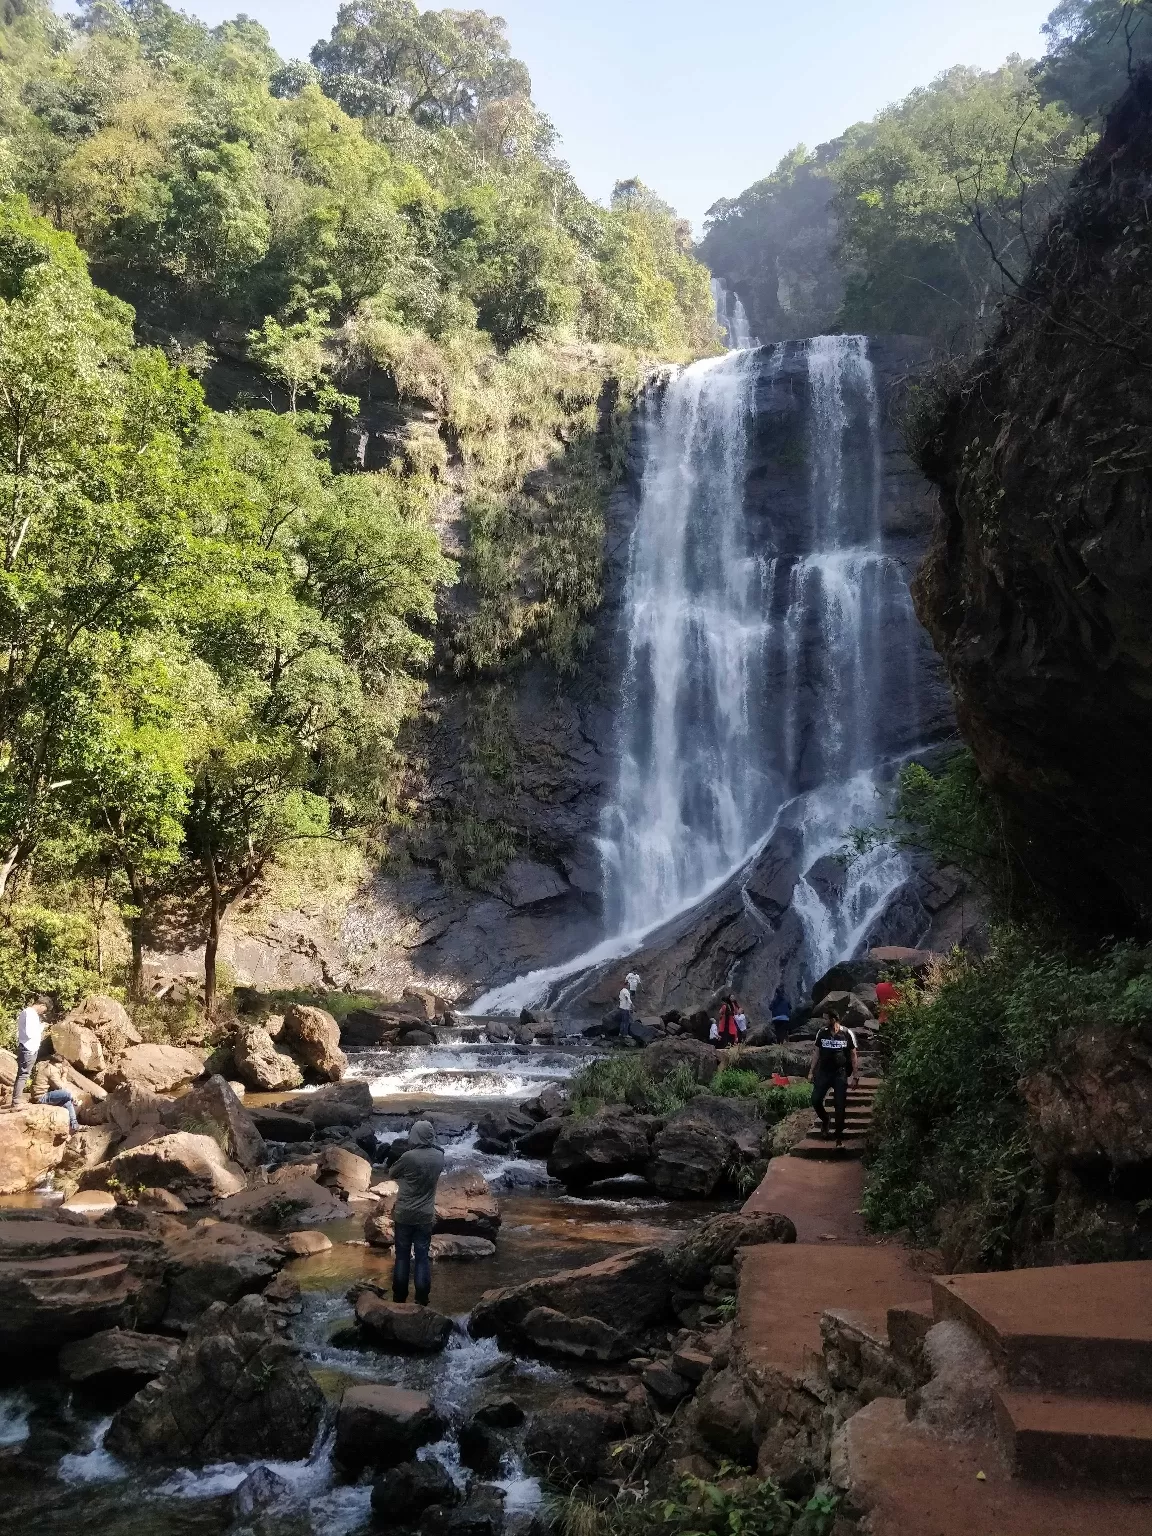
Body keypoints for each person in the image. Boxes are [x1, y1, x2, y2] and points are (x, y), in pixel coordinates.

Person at [390, 1120, 445, 1307]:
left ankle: (399, 1299)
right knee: (422, 1257)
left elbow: (391, 1173)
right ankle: (422, 1300)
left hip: (404, 1214)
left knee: (402, 1256)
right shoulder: (439, 1157)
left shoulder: (408, 1157)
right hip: (425, 1215)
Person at [807, 1012, 858, 1147]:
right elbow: (816, 1052)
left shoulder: (847, 1033)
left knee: (840, 1106)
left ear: (834, 1019)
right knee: (815, 1099)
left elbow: (853, 1055)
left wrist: (855, 1076)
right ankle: (825, 1119)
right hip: (824, 1072)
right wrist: (811, 1071)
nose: (824, 1021)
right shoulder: (821, 1033)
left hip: (840, 1074)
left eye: (826, 1018)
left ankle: (839, 1139)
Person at [9, 997, 48, 1111]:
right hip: (29, 1048)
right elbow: (30, 1033)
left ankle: (16, 1101)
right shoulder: (30, 1014)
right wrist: (42, 1027)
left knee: (22, 1074)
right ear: (42, 1005)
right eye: (44, 1010)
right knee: (23, 1075)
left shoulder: (26, 1012)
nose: (43, 1012)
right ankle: (16, 1103)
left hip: (26, 1047)